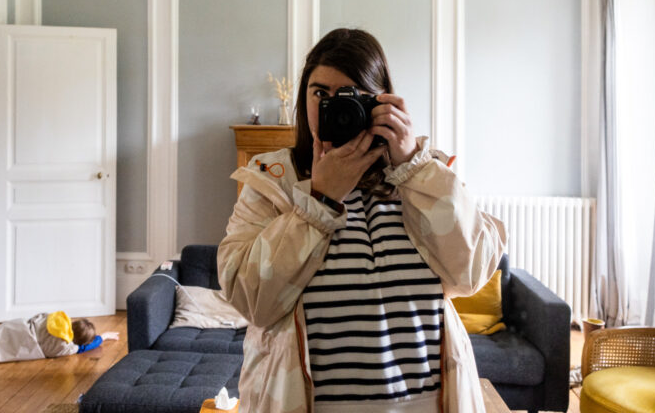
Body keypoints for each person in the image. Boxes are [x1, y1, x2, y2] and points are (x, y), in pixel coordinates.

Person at [217, 28, 507, 413]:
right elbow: (251, 299)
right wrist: (319, 199)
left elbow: (471, 270)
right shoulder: (272, 179)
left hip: (426, 403)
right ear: (304, 97)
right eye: (321, 94)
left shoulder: (423, 175)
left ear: (382, 100)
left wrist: (413, 168)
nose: (335, 108)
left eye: (353, 95)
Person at [0, 310, 119, 364]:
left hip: (13, 330)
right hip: (20, 343)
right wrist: (103, 337)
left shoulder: (54, 319)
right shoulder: (67, 347)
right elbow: (84, 348)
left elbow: (36, 317)